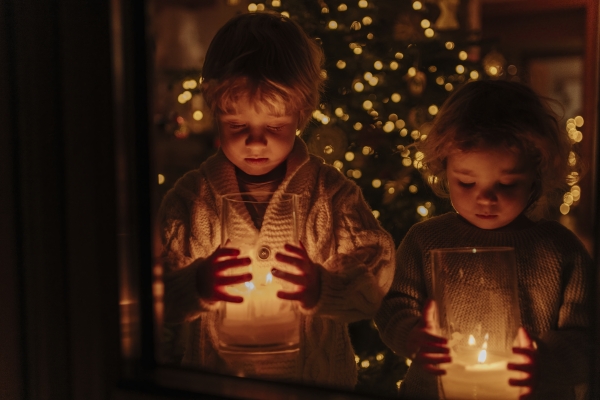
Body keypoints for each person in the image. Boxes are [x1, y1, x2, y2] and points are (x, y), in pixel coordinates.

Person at [155, 11, 395, 389]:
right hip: (220, 385)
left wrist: (324, 287)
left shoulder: (331, 197)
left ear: (301, 115)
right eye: (237, 125)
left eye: (274, 126)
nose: (255, 141)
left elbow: (376, 271)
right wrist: (196, 284)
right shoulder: (192, 200)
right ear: (216, 112)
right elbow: (154, 287)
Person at [375, 80, 593, 399]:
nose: (486, 199)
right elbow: (394, 304)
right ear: (443, 169)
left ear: (537, 174)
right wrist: (412, 334)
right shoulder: (425, 240)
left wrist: (543, 361)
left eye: (506, 184)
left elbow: (587, 338)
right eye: (466, 182)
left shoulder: (561, 251)